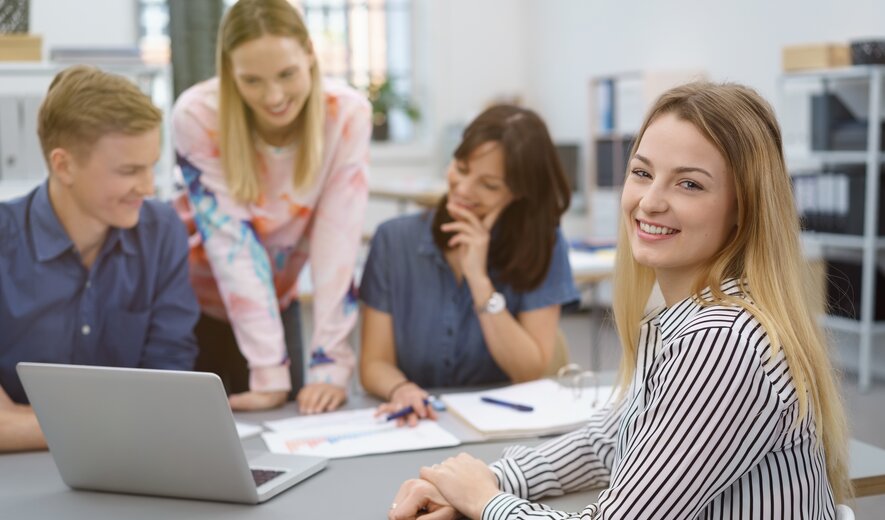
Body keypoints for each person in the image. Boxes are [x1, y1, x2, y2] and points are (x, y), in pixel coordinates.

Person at [388, 82, 852, 519]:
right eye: (642, 173)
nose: (649, 201)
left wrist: (485, 500)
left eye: (688, 183)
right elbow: (608, 440)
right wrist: (494, 477)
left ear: (742, 209)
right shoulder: (686, 320)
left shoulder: (723, 343)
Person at [172, 0, 371, 413]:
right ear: (229, 71)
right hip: (194, 311)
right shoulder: (197, 115)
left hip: (278, 304)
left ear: (310, 54)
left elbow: (338, 245)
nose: (275, 96)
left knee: (289, 433)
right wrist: (268, 370)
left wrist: (330, 366)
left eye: (286, 74)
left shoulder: (346, 115)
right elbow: (233, 249)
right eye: (252, 81)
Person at [0, 65, 199, 453]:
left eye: (151, 165)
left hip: (130, 465)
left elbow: (170, 394)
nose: (147, 186)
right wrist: (123, 423)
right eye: (129, 170)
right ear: (64, 165)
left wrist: (26, 424)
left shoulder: (161, 232)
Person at [360, 105, 579, 426]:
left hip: (503, 427)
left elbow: (529, 371)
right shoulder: (393, 241)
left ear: (519, 193)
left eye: (488, 185)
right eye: (461, 169)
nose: (463, 190)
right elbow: (374, 363)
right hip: (418, 424)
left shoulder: (544, 245)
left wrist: (479, 281)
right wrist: (401, 389)